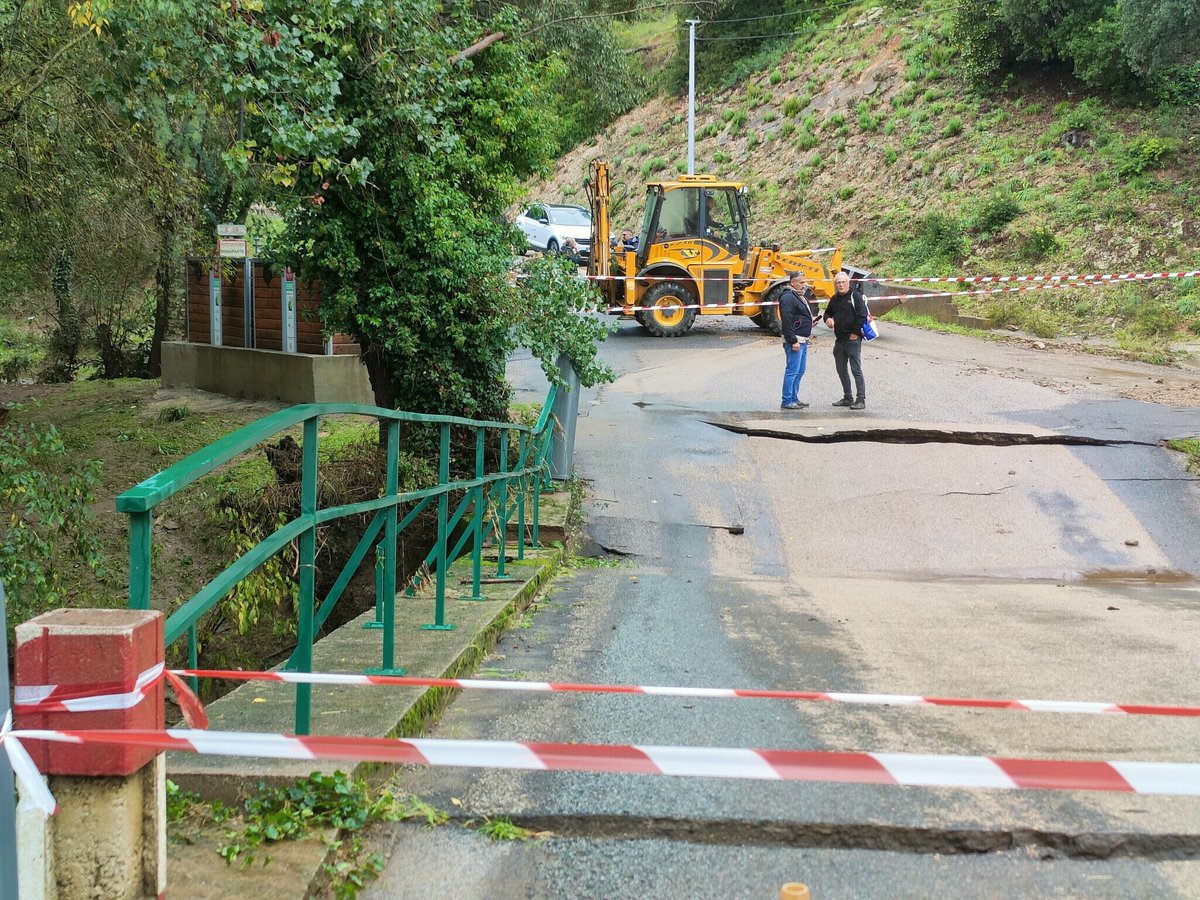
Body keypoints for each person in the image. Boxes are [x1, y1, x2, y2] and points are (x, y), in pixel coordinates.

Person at [823, 270, 868, 409]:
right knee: (841, 370)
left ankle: (861, 399)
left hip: (853, 339)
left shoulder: (855, 295)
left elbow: (862, 314)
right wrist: (828, 319)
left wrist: (855, 333)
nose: (841, 285)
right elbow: (826, 312)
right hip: (840, 340)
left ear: (848, 282)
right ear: (835, 284)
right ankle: (847, 397)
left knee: (856, 370)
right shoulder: (834, 298)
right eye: (838, 283)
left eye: (843, 282)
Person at [779, 271, 817, 410]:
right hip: (795, 340)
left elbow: (799, 315)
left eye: (804, 282)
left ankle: (794, 397)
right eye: (801, 282)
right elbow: (787, 320)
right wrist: (793, 340)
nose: (804, 285)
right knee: (792, 371)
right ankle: (787, 400)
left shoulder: (799, 296)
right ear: (793, 282)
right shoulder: (788, 297)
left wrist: (809, 322)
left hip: (803, 339)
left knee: (800, 371)